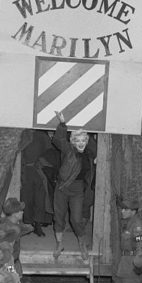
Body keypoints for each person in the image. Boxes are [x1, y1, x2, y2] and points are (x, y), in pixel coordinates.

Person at [51, 111, 96, 261]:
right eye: (78, 140)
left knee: (76, 219)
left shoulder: (89, 155)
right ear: (73, 142)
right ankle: (59, 244)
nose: (81, 142)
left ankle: (82, 244)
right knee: (59, 217)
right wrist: (63, 124)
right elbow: (58, 139)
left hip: (77, 190)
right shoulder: (68, 150)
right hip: (62, 187)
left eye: (84, 140)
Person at [112, 197, 142, 283]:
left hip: (132, 265)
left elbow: (140, 248)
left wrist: (138, 267)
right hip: (124, 263)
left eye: (126, 209)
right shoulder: (128, 223)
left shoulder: (137, 226)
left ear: (133, 211)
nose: (122, 211)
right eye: (123, 209)